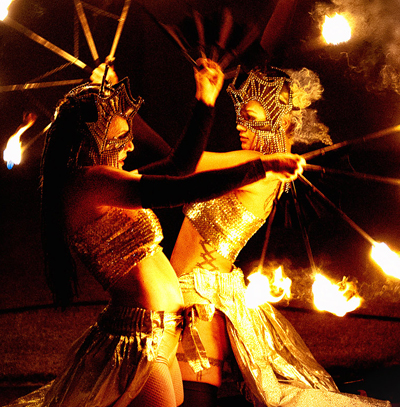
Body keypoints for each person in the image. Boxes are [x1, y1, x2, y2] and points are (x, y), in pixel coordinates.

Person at [8, 60, 304, 407]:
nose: (130, 148)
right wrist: (260, 168)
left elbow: (178, 168)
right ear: (91, 140)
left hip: (163, 331)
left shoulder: (108, 182)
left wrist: (205, 102)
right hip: (138, 339)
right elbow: (179, 187)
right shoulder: (91, 182)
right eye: (120, 139)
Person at [170, 64, 391, 407]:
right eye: (241, 117)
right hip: (192, 293)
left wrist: (203, 101)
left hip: (197, 302)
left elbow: (179, 164)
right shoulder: (260, 166)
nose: (241, 125)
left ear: (281, 122)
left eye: (252, 118)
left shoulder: (256, 165)